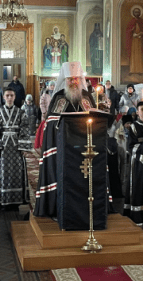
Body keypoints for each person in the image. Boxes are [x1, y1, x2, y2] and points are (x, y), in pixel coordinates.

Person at [34, 62, 96, 217]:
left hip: (84, 147)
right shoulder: (59, 97)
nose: (73, 82)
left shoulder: (87, 96)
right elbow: (51, 123)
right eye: (70, 79)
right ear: (65, 80)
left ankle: (86, 210)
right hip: (63, 148)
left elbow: (95, 119)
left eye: (76, 78)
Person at [0, 87, 32, 209]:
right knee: (2, 173)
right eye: (7, 95)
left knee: (17, 171)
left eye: (12, 95)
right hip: (3, 147)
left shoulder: (21, 112)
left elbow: (25, 129)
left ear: (15, 97)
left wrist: (24, 147)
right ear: (4, 97)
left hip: (16, 147)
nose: (10, 98)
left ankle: (17, 200)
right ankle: (2, 200)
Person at [126, 7, 143, 74]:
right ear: (133, 13)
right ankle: (132, 70)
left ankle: (140, 70)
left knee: (139, 55)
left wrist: (141, 33)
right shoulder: (131, 21)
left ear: (140, 13)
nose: (136, 13)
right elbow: (128, 31)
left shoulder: (141, 21)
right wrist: (132, 32)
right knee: (133, 55)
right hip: (133, 41)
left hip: (139, 40)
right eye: (135, 12)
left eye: (138, 12)